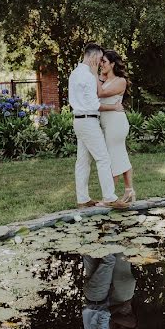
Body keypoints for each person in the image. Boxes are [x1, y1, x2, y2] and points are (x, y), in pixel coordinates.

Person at [69, 43, 128, 209]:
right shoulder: (88, 76)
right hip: (88, 121)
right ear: (94, 56)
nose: (100, 62)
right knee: (103, 158)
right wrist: (114, 107)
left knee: (82, 161)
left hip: (78, 121)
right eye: (100, 58)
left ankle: (83, 199)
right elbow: (95, 104)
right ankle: (110, 197)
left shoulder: (74, 74)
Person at [97, 50, 135, 204]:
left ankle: (109, 196)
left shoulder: (120, 81)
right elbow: (95, 103)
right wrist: (100, 76)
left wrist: (96, 76)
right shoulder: (103, 80)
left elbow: (99, 94)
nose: (101, 64)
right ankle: (129, 190)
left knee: (112, 157)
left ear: (112, 64)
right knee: (119, 155)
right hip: (107, 123)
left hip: (116, 123)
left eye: (104, 61)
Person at [81, 253, 137, 329]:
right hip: (91, 296)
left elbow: (105, 312)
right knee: (88, 254)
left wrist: (122, 306)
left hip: (98, 295)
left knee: (109, 260)